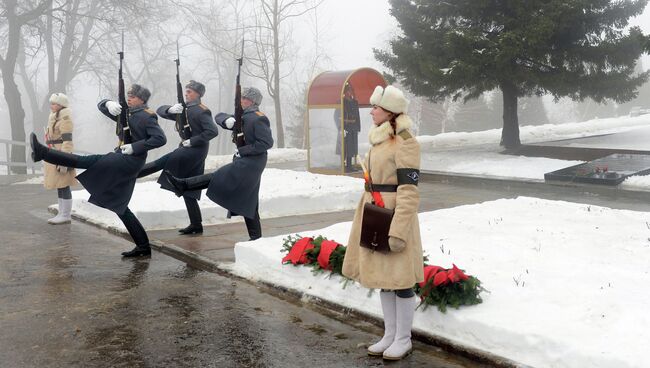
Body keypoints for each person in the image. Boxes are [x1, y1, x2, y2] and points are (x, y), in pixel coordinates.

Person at [30, 84, 167, 257]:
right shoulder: (125, 113)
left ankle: (44, 153)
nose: (129, 97)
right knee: (121, 208)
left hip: (131, 160)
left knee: (90, 161)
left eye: (133, 95)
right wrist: (107, 103)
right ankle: (143, 246)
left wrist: (135, 147)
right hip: (121, 157)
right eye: (128, 95)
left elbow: (160, 139)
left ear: (142, 99)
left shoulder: (147, 117)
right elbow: (101, 107)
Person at [341, 85, 423, 360]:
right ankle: (389, 334)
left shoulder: (405, 141)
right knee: (385, 279)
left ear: (389, 112)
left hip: (394, 215)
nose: (371, 111)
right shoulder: (380, 139)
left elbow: (409, 191)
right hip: (376, 212)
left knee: (401, 281)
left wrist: (399, 230)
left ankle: (403, 338)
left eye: (376, 107)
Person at [164, 87, 273, 241]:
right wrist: (227, 120)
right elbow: (219, 116)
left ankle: (184, 184)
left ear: (253, 102)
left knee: (220, 175)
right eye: (242, 98)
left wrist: (244, 151)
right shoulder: (242, 116)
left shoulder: (258, 118)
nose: (242, 100)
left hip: (253, 161)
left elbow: (266, 143)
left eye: (246, 99)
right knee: (250, 200)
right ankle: (256, 237)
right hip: (245, 160)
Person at [137, 80, 218, 235]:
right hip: (187, 148)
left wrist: (192, 141)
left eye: (190, 92)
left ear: (198, 94)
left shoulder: (202, 111)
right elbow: (160, 110)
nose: (187, 94)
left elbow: (212, 131)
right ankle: (196, 224)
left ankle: (134, 173)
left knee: (165, 160)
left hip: (196, 150)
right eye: (186, 91)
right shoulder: (183, 109)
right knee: (189, 188)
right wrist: (171, 109)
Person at [42, 93, 77, 224]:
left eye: (55, 103)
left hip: (62, 153)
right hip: (55, 152)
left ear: (61, 105)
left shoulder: (65, 118)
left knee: (64, 184)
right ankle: (61, 213)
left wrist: (64, 159)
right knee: (59, 184)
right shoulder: (54, 117)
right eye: (51, 103)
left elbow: (67, 140)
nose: (52, 106)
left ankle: (65, 214)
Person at [333, 82, 361, 172]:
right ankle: (343, 165)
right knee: (344, 148)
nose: (350, 92)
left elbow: (357, 116)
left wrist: (358, 127)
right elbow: (336, 116)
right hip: (345, 128)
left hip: (353, 129)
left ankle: (349, 165)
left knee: (351, 149)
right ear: (345, 91)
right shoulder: (341, 102)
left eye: (351, 90)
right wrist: (340, 127)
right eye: (348, 90)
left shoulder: (355, 102)